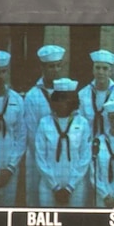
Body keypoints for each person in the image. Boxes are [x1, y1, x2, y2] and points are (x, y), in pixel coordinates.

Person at [23, 44, 67, 205]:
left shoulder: (68, 92)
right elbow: (32, 132)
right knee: (37, 200)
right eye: (51, 66)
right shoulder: (32, 96)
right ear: (43, 67)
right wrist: (46, 158)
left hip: (64, 158)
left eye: (58, 66)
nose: (55, 70)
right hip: (39, 157)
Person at [35, 79, 90, 208]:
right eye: (59, 98)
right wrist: (54, 186)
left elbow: (85, 158)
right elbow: (40, 157)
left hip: (76, 185)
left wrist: (70, 186)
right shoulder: (44, 123)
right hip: (49, 185)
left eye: (66, 99)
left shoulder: (82, 123)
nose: (62, 103)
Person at [0, 51, 26, 206]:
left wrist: (10, 167)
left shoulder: (16, 100)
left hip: (9, 169)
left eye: (3, 71)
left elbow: (21, 137)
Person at [78, 49, 114, 127]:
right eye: (97, 68)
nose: (100, 72)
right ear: (93, 70)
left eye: (105, 68)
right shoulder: (82, 94)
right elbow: (79, 124)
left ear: (110, 72)